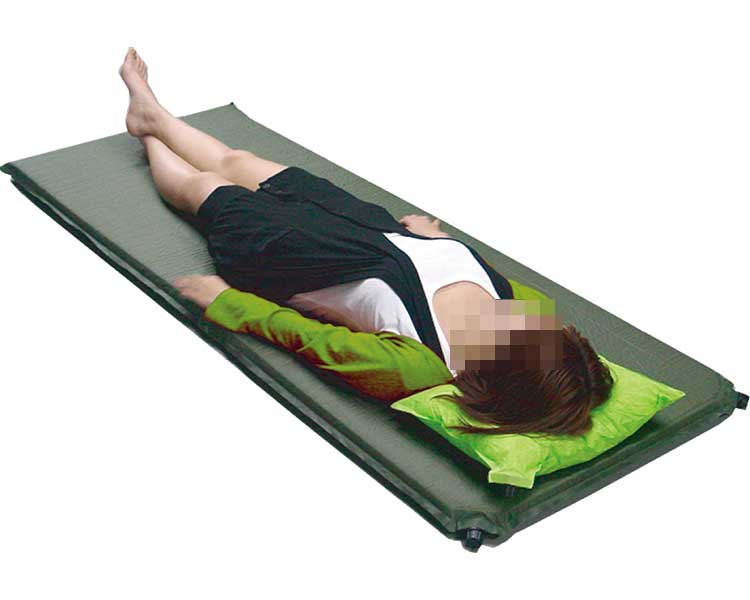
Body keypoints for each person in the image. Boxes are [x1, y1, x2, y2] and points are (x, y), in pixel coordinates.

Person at [119, 48, 613, 436]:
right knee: (238, 160)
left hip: (286, 256)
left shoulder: (419, 365)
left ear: (496, 367)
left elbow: (312, 340)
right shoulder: (525, 306)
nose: (533, 319)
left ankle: (148, 135)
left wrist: (230, 304)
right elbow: (475, 268)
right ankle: (154, 115)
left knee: (204, 187)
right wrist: (434, 239)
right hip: (357, 223)